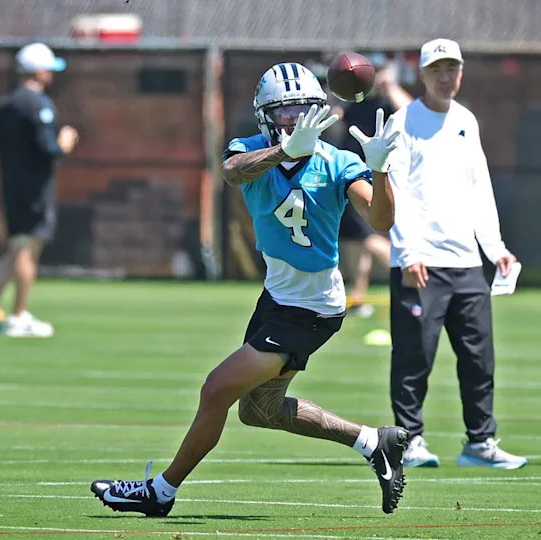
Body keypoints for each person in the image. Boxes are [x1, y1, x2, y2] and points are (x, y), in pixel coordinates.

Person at [91, 62, 409, 516]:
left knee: (216, 389)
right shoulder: (254, 149)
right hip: (278, 297)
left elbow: (381, 220)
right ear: (265, 116)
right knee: (258, 410)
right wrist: (283, 153)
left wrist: (380, 172)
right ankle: (373, 442)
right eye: (285, 111)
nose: (296, 119)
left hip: (311, 307)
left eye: (305, 108)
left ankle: (161, 491)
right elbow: (233, 172)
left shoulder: (338, 162)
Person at [385, 38, 527, 469]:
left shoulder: (466, 120)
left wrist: (495, 248)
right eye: (437, 70)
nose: (446, 77)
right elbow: (393, 192)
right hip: (420, 263)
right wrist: (408, 252)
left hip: (467, 264)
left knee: (479, 358)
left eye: (453, 69)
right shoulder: (402, 121)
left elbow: (478, 188)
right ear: (421, 74)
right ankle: (409, 442)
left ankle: (480, 443)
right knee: (415, 358)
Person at [0, 42, 78, 338]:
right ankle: (19, 316)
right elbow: (48, 149)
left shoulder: (6, 102)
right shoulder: (38, 104)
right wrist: (65, 143)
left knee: (17, 246)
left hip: (11, 184)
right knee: (27, 249)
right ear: (39, 71)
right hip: (34, 189)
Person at [338, 54, 413, 317]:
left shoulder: (387, 102)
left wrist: (391, 86)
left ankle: (411, 270)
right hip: (348, 177)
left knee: (369, 239)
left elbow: (412, 115)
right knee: (358, 242)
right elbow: (334, 117)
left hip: (374, 178)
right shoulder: (354, 104)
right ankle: (358, 298)